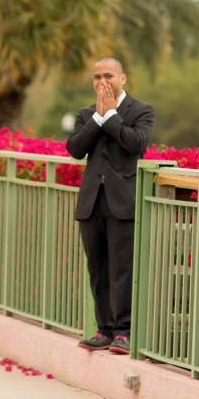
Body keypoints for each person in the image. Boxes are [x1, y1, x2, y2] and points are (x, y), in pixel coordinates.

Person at [66, 57, 155, 354]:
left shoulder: (142, 111)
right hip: (92, 202)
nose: (102, 82)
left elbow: (136, 143)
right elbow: (75, 149)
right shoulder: (86, 113)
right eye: (96, 77)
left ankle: (123, 332)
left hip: (122, 201)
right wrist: (97, 119)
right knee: (98, 268)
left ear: (123, 78)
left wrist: (112, 116)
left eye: (108, 76)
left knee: (122, 269)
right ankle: (103, 329)